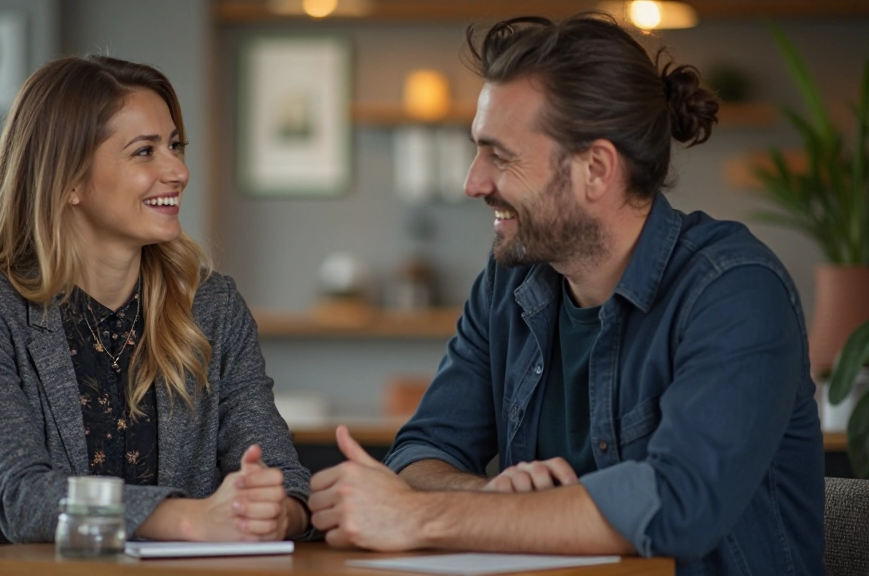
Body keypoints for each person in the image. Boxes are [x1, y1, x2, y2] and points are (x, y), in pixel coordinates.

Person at [308, 13, 824, 576]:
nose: (473, 182)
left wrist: (424, 518)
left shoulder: (734, 290)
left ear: (596, 169)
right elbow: (422, 452)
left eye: (500, 155)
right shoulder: (510, 282)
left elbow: (677, 504)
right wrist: (489, 499)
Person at [0, 54, 311, 548]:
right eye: (145, 152)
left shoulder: (213, 305)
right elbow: (25, 498)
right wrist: (189, 520)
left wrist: (276, 512)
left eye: (176, 146)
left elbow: (283, 477)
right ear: (69, 179)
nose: (178, 170)